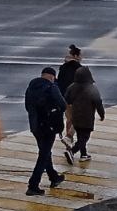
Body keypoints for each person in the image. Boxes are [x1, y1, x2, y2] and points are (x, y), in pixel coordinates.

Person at [24, 66, 66, 196]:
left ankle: (54, 177)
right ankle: (33, 185)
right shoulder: (51, 87)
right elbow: (63, 105)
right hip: (49, 127)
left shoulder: (31, 86)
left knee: (45, 152)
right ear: (52, 77)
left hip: (35, 126)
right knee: (43, 155)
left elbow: (27, 106)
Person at [63, 66, 105, 164]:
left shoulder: (72, 87)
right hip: (87, 117)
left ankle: (84, 154)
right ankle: (72, 151)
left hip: (76, 116)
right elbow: (98, 102)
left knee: (80, 135)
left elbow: (67, 99)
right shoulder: (92, 88)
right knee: (84, 137)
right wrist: (101, 114)